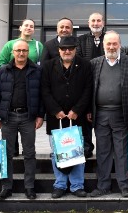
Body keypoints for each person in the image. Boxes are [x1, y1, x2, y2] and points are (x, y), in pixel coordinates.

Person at [41, 35, 93, 198]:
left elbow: (88, 90)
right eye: (64, 48)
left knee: (77, 152)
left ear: (75, 50)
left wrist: (77, 110)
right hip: (56, 118)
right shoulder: (48, 66)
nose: (67, 51)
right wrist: (55, 110)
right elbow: (44, 90)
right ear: (59, 50)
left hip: (77, 117)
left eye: (70, 48)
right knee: (58, 152)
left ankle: (77, 186)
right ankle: (60, 185)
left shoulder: (85, 65)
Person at [88, 31, 128, 198]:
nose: (111, 47)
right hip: (101, 114)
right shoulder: (95, 63)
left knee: (122, 151)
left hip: (121, 114)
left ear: (120, 45)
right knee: (102, 152)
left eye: (114, 43)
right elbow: (90, 89)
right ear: (103, 45)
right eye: (108, 44)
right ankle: (103, 186)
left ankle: (125, 186)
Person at [0, 40, 44, 200]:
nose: (21, 53)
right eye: (18, 50)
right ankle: (6, 187)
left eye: (24, 50)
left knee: (29, 153)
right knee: (6, 154)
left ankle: (29, 187)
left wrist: (40, 115)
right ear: (12, 52)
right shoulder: (3, 70)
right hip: (8, 118)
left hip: (28, 117)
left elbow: (42, 95)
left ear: (28, 52)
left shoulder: (37, 70)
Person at [76, 12, 105, 157]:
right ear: (89, 24)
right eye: (93, 21)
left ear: (103, 23)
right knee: (85, 118)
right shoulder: (81, 40)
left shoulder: (109, 38)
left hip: (105, 83)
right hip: (86, 84)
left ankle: (104, 150)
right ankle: (87, 148)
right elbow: (79, 60)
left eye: (98, 20)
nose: (96, 23)